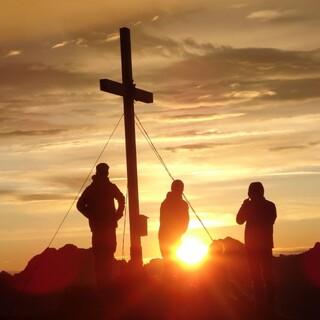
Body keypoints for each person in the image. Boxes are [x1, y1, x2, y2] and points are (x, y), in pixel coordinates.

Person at [77, 162, 125, 288]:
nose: (106, 174)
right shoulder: (94, 189)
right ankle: (103, 285)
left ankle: (105, 285)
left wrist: (118, 213)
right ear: (101, 172)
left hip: (105, 227)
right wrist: (92, 215)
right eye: (105, 171)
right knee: (102, 256)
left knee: (106, 255)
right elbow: (80, 205)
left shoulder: (105, 187)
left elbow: (121, 199)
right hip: (101, 228)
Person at [236, 182, 277, 314]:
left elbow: (238, 220)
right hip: (265, 245)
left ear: (250, 193)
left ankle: (260, 306)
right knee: (267, 276)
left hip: (252, 246)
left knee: (256, 277)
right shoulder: (270, 206)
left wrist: (244, 205)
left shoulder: (249, 206)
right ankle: (269, 306)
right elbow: (270, 221)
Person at [159, 180, 189, 260]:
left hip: (168, 237)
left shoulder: (165, 203)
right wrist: (179, 232)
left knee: (170, 260)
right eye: (180, 189)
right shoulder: (182, 205)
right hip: (169, 238)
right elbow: (185, 222)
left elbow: (185, 222)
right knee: (171, 260)